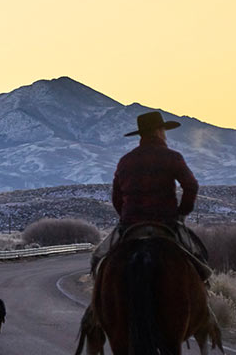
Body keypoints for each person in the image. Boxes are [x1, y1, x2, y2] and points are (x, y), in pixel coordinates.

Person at [90, 111, 211, 281]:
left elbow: (117, 198)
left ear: (142, 135)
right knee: (200, 262)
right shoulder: (172, 157)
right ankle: (205, 299)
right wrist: (181, 213)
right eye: (163, 130)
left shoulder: (126, 161)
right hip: (167, 222)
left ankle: (96, 307)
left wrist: (126, 217)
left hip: (130, 223)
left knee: (98, 260)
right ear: (158, 131)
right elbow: (191, 185)